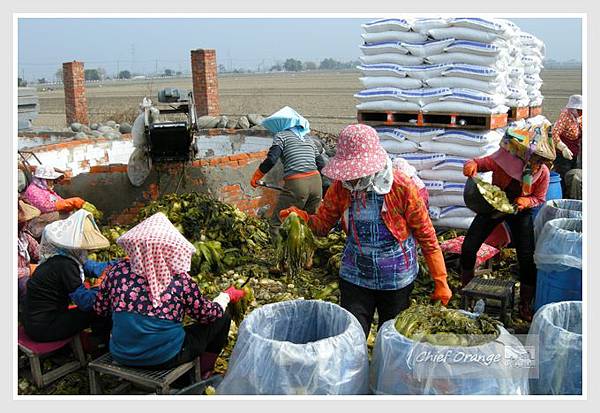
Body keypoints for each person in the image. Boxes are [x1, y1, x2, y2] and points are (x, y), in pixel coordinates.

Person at [279, 124, 452, 338]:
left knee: (391, 339)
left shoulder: (401, 187)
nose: (351, 179)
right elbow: (322, 226)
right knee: (352, 337)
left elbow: (427, 236)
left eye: (355, 172)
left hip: (396, 279)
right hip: (355, 276)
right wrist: (300, 218)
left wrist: (440, 280)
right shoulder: (341, 188)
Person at [93, 213, 245, 377]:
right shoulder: (180, 280)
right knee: (223, 317)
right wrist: (225, 297)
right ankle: (204, 371)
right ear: (171, 249)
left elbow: (99, 309)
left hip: (121, 354)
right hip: (165, 357)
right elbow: (208, 315)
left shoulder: (117, 271)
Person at [461, 129, 555, 321]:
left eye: (540, 162)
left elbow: (539, 198)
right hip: (495, 205)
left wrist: (526, 202)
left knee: (527, 257)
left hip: (520, 212)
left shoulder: (542, 173)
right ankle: (467, 292)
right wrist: (471, 164)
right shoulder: (504, 162)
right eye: (535, 160)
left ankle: (525, 303)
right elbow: (480, 163)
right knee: (469, 247)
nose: (537, 165)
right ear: (524, 155)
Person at [22, 210, 112, 343]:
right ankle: (98, 343)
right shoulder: (64, 265)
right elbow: (86, 302)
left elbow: (92, 267)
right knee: (100, 308)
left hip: (35, 322)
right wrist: (100, 286)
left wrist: (119, 265)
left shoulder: (63, 258)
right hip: (44, 327)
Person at [250, 107, 326, 232]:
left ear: (281, 124)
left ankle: (278, 251)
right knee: (309, 221)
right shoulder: (307, 138)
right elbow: (321, 163)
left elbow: (271, 159)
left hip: (297, 183)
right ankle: (308, 250)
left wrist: (256, 176)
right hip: (316, 182)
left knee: (278, 222)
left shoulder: (281, 136)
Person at [22, 165, 86, 238]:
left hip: (49, 221)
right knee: (55, 214)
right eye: (50, 180)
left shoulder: (46, 189)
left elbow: (58, 200)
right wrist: (68, 203)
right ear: (42, 179)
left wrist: (69, 205)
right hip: (37, 224)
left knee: (72, 213)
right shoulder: (33, 190)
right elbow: (44, 207)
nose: (52, 182)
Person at [552, 94, 582, 195]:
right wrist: (563, 148)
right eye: (579, 109)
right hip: (563, 154)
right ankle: (563, 194)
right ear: (573, 108)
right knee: (563, 174)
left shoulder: (580, 117)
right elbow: (554, 133)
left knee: (574, 175)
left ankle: (572, 193)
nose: (581, 112)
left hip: (576, 150)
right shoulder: (565, 116)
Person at [17, 201, 41, 300]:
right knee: (25, 284)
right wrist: (30, 270)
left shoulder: (24, 236)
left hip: (27, 272)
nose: (25, 223)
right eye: (22, 221)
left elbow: (39, 251)